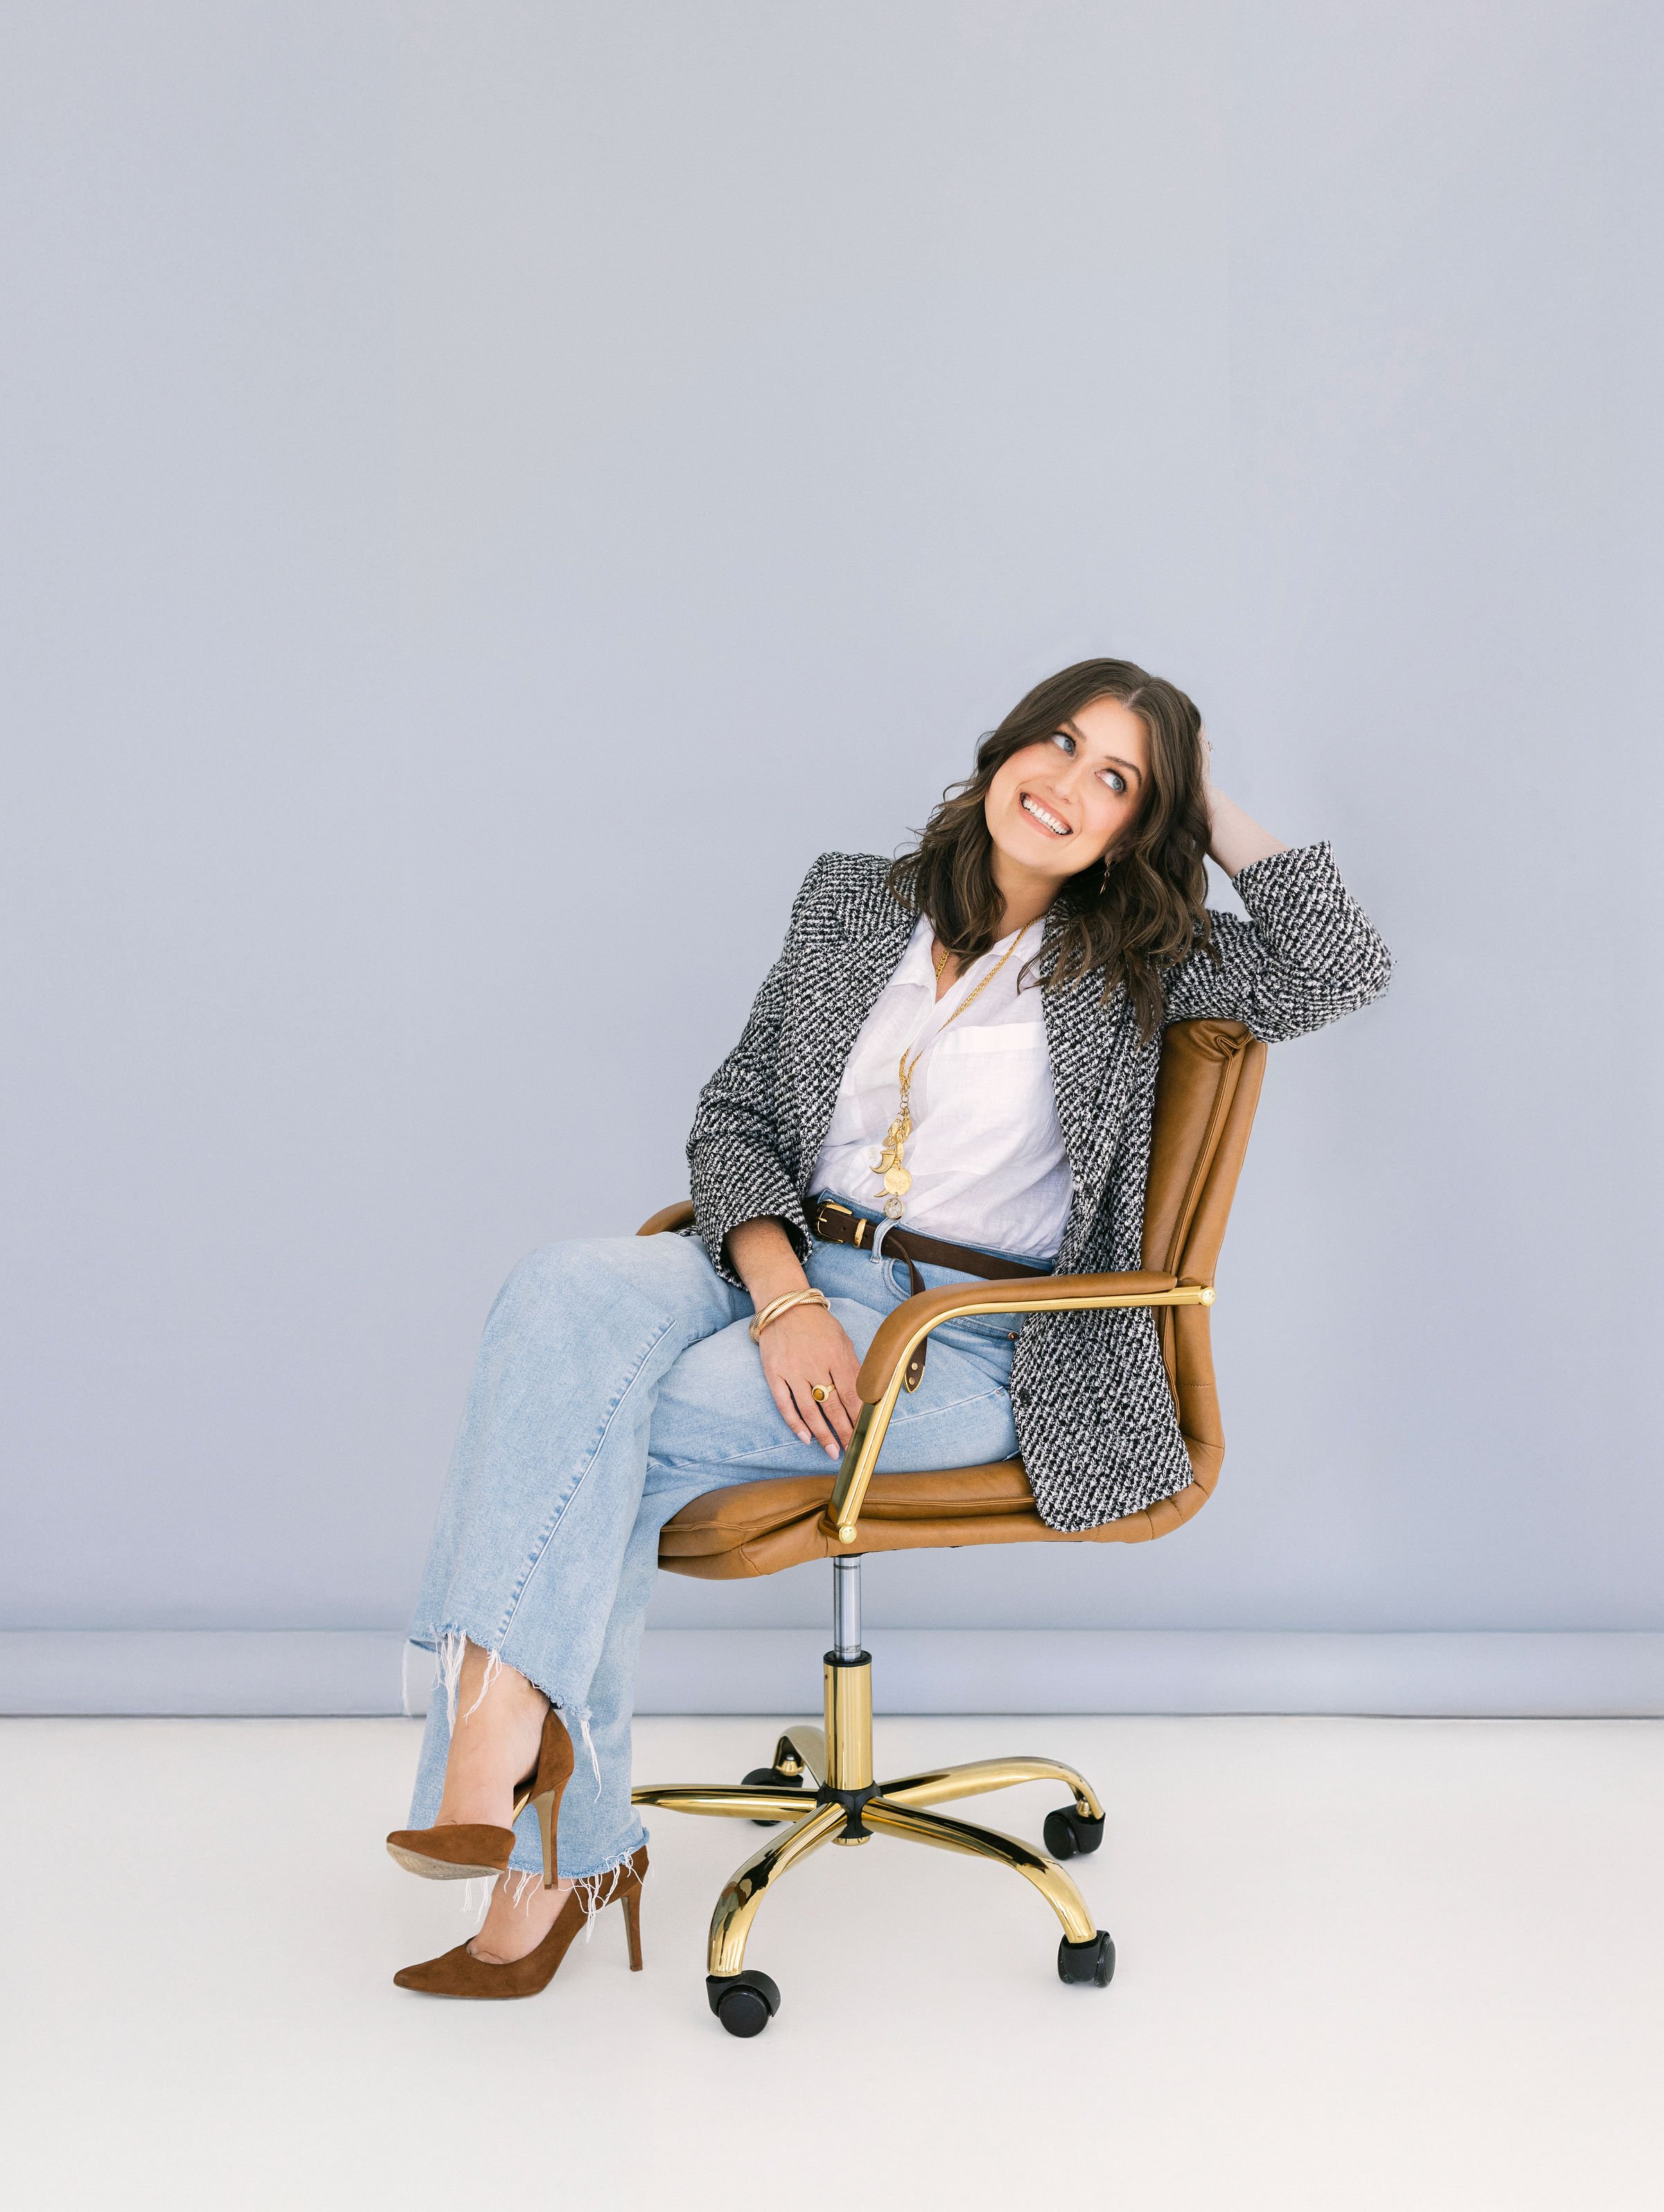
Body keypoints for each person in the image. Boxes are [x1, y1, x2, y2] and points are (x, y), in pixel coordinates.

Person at [386, 656, 1392, 1997]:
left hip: (971, 1336)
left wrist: (1203, 798)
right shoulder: (851, 900)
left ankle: (534, 1816)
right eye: (1060, 744)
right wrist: (785, 1296)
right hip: (779, 1264)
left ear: (1133, 830)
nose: (1068, 786)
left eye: (1116, 782)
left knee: (598, 1427)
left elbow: (1342, 961)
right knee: (555, 1297)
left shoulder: (1151, 962)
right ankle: (522, 1765)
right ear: (1003, 748)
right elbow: (738, 1114)